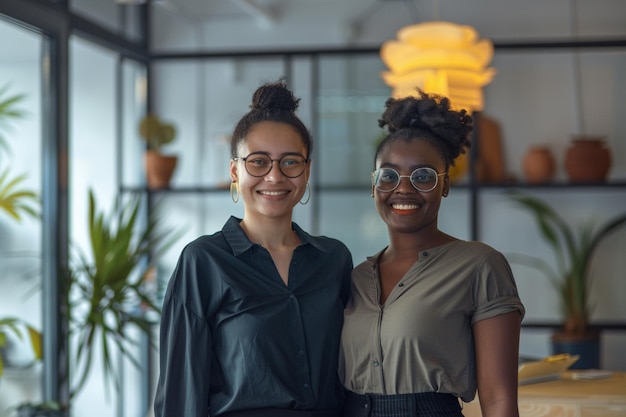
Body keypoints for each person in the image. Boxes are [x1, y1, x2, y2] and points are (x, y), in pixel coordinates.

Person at [154, 79, 353, 417]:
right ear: (235, 171)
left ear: (307, 172)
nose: (275, 177)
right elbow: (180, 392)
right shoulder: (204, 260)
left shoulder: (334, 260)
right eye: (258, 161)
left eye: (290, 162)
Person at [339, 89, 525, 417]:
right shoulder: (356, 278)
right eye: (389, 175)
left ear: (445, 185)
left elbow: (497, 399)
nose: (404, 188)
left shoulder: (479, 265)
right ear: (374, 185)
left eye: (423, 176)